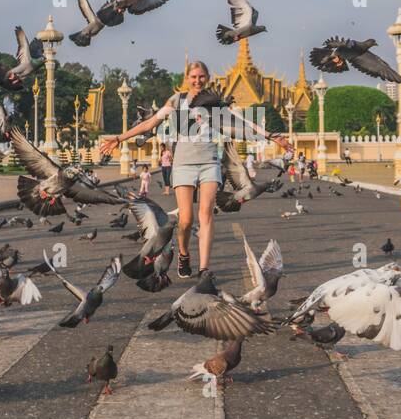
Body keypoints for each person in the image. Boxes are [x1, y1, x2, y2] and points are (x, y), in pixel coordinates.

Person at [100, 60, 289, 279]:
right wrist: (119, 138)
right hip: (183, 165)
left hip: (209, 163)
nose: (197, 80)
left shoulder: (215, 103)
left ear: (207, 77)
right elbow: (150, 123)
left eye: (201, 76)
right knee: (186, 220)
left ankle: (204, 269)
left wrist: (272, 136)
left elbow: (242, 122)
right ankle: (183, 254)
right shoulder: (177, 100)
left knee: (206, 215)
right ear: (187, 78)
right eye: (193, 77)